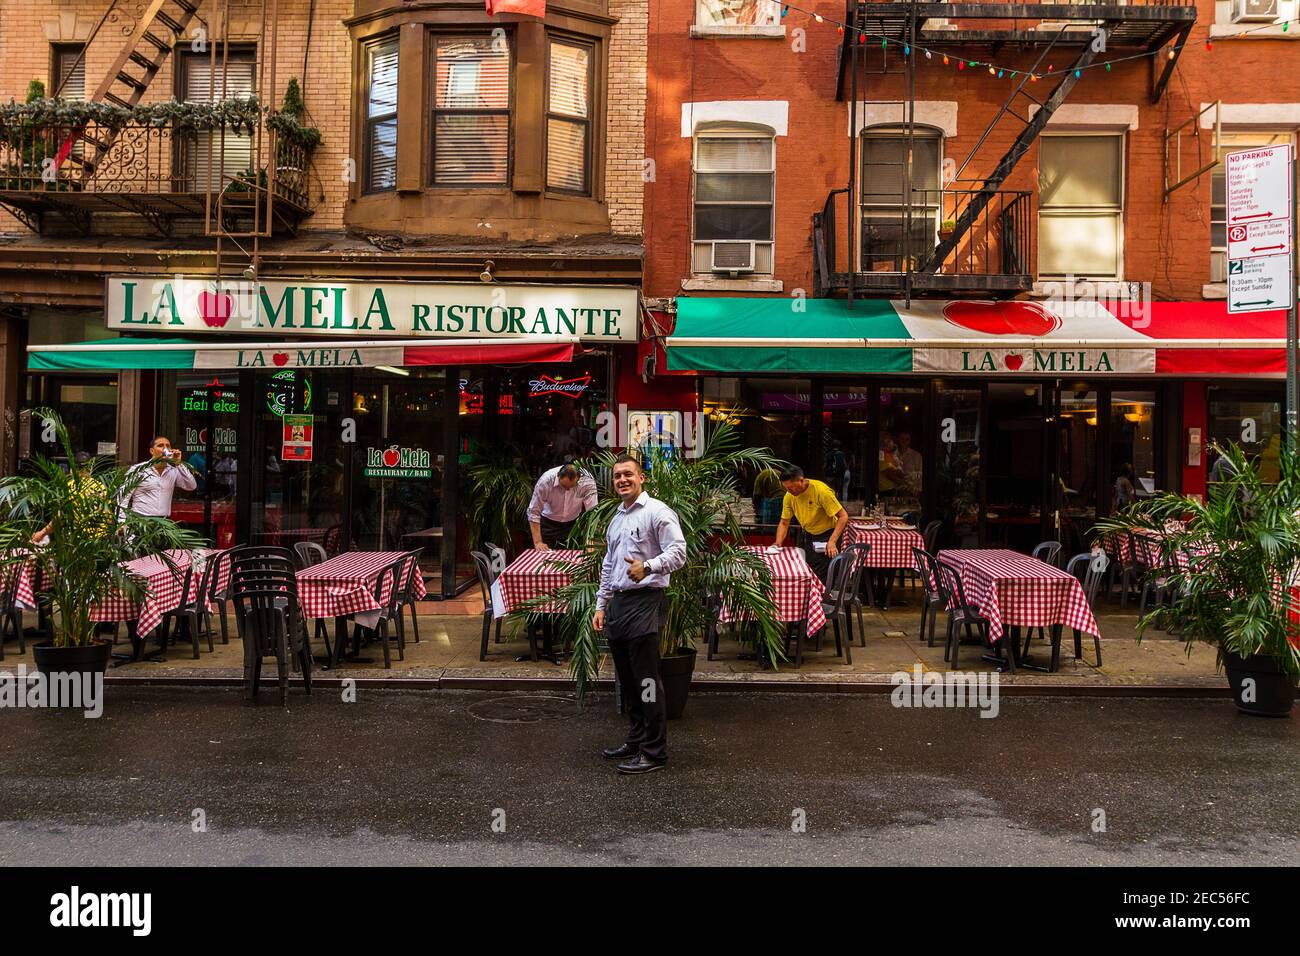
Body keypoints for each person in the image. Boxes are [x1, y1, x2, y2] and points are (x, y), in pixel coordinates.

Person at [592, 453, 686, 775]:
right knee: (628, 680)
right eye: (617, 475)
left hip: (646, 600)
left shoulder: (657, 512)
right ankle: (635, 740)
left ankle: (654, 752)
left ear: (641, 477)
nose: (622, 480)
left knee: (646, 680)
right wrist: (601, 605)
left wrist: (647, 566)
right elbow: (609, 565)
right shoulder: (616, 518)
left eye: (628, 474)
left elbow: (679, 553)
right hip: (619, 603)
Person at [772, 464, 849, 582]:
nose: (789, 491)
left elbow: (843, 516)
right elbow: (784, 522)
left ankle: (823, 599)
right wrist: (778, 543)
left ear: (801, 480)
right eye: (786, 488)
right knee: (807, 570)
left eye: (791, 488)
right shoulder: (789, 496)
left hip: (828, 535)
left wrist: (832, 541)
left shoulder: (821, 491)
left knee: (823, 574)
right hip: (809, 534)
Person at [30, 452, 110, 545]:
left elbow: (60, 518)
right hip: (99, 543)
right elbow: (109, 516)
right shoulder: (100, 487)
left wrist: (41, 533)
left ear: (73, 468)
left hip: (79, 543)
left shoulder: (71, 487)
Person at [121, 434, 197, 519]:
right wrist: (121, 521)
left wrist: (179, 464)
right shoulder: (138, 469)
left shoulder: (173, 471)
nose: (165, 449)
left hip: (163, 521)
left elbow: (191, 486)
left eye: (168, 446)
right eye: (160, 445)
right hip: (140, 519)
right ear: (152, 451)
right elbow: (123, 496)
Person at [527, 462, 598, 549]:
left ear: (579, 479)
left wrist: (590, 541)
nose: (567, 489)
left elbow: (592, 513)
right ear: (558, 476)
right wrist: (538, 542)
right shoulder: (546, 481)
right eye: (564, 486)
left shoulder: (587, 481)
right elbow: (533, 512)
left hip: (573, 525)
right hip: (548, 524)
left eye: (572, 486)